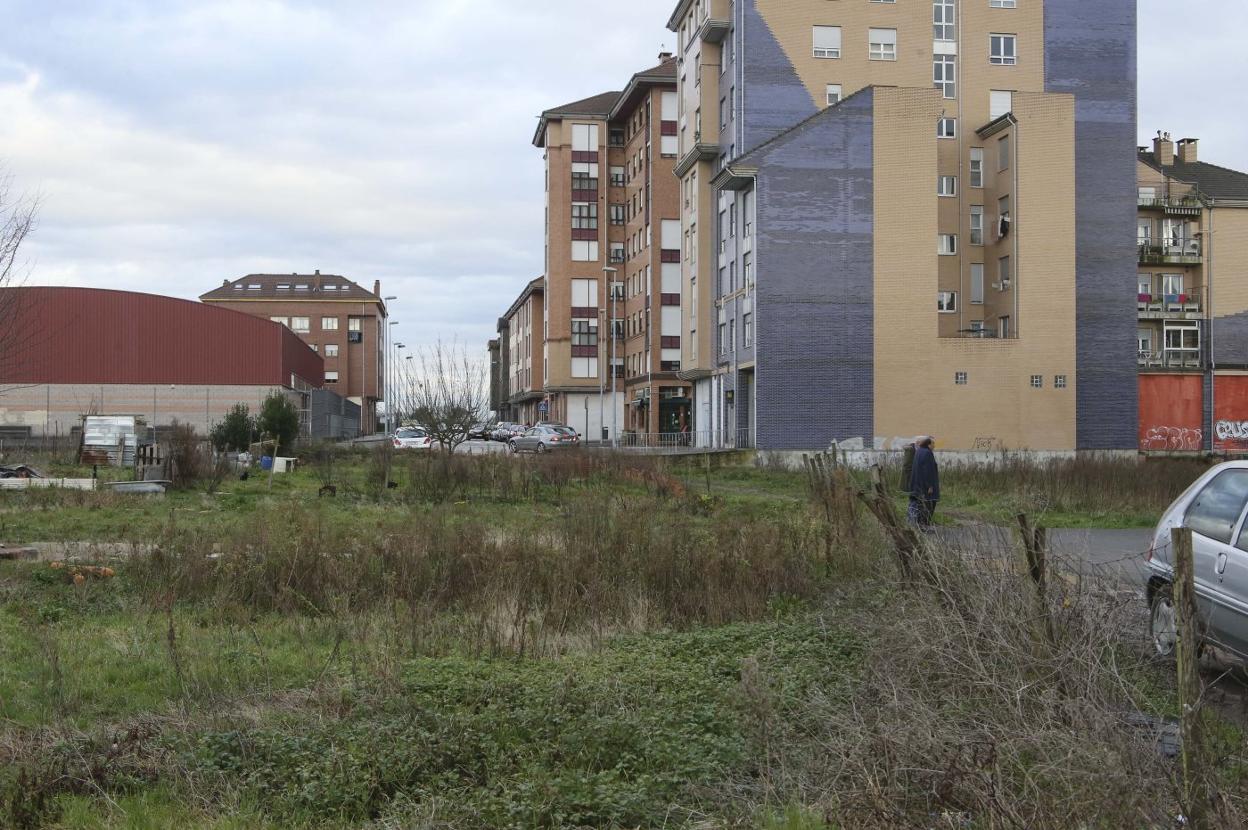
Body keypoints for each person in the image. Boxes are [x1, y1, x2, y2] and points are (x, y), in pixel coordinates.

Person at [909, 435, 940, 530]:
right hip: (925, 485)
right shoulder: (927, 453)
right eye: (933, 443)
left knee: (920, 504)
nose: (934, 445)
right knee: (929, 504)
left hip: (918, 484)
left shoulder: (919, 451)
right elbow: (927, 470)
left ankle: (919, 524)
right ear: (929, 444)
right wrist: (929, 485)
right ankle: (924, 525)